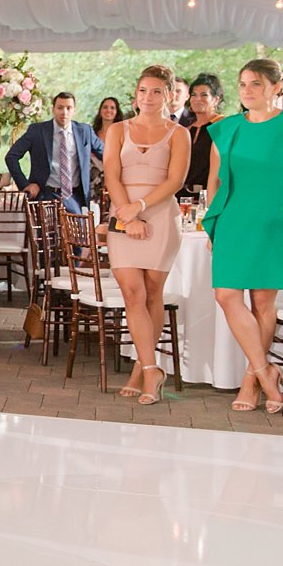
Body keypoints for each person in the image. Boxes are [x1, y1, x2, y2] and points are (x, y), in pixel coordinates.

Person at [204, 59, 283, 414]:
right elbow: (214, 182)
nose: (247, 91)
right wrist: (213, 224)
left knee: (262, 303)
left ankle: (250, 380)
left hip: (275, 221)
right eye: (242, 84)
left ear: (276, 87)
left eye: (255, 84)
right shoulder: (225, 128)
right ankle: (265, 370)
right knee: (226, 295)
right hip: (233, 222)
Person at [103, 65, 191, 405]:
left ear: (168, 95)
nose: (149, 97)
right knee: (132, 292)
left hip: (160, 215)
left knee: (153, 292)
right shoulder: (119, 130)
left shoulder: (178, 134)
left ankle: (142, 367)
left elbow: (175, 181)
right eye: (143, 90)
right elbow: (112, 173)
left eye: (156, 91)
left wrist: (139, 206)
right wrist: (126, 213)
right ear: (135, 94)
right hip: (123, 213)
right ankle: (153, 367)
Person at [3, 92, 105, 215]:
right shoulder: (37, 131)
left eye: (68, 108)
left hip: (75, 196)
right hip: (46, 195)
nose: (64, 112)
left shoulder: (85, 131)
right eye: (60, 107)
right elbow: (11, 157)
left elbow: (106, 155)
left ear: (74, 110)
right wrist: (25, 184)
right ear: (53, 109)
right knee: (46, 234)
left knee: (78, 232)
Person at [178, 73, 224, 197]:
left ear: (216, 99)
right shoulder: (186, 130)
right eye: (194, 95)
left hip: (212, 195)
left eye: (204, 95)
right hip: (184, 197)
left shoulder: (223, 126)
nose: (198, 99)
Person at [90, 96, 124, 211]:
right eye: (105, 107)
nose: (108, 110)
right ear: (100, 111)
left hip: (115, 181)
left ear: (116, 112)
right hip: (94, 183)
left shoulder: (123, 134)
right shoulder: (91, 133)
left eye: (112, 108)